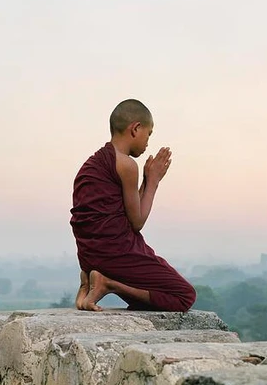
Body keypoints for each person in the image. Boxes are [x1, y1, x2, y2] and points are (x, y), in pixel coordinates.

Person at [70, 99, 196, 312]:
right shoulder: (126, 164)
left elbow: (124, 214)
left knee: (145, 300)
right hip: (115, 254)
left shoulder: (92, 163)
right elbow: (136, 222)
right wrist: (154, 181)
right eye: (149, 134)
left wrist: (145, 181)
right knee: (184, 296)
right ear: (136, 128)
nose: (147, 142)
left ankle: (89, 281)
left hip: (89, 256)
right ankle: (108, 284)